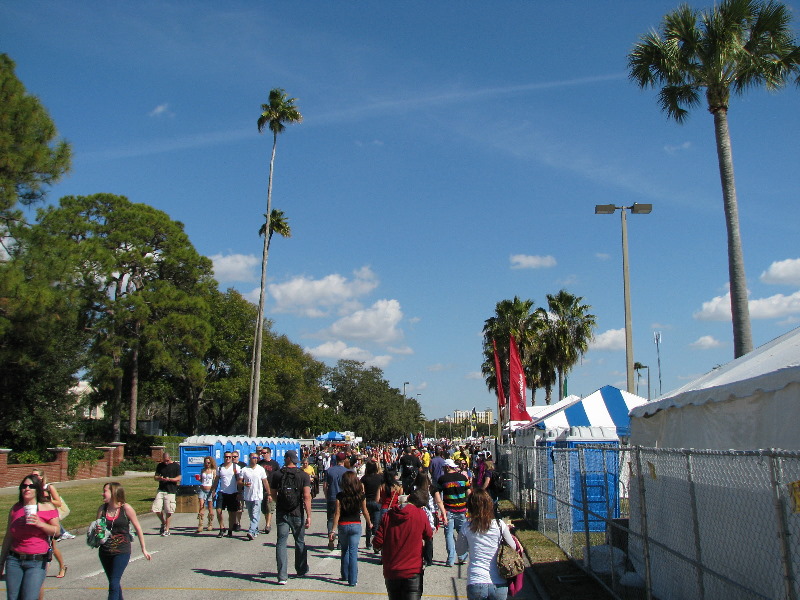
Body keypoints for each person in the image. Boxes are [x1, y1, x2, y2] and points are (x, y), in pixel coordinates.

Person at [0, 475, 60, 600]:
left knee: (29, 597)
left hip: (36, 561)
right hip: (14, 560)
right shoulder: (16, 508)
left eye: (31, 486)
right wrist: (1, 562)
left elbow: (57, 532)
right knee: (13, 597)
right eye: (24, 486)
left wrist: (40, 524)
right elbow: (8, 537)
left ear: (37, 489)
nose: (27, 489)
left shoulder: (47, 507)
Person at [455, 489, 516, 600]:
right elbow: (513, 547)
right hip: (498, 581)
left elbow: (460, 551)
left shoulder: (466, 526)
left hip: (476, 579)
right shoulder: (499, 525)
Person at [373, 488, 433, 600]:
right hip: (413, 570)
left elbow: (377, 542)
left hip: (392, 570)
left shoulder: (388, 515)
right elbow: (429, 535)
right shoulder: (420, 514)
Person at [96, 482, 151, 600]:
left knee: (114, 582)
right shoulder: (102, 509)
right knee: (113, 582)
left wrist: (143, 549)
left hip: (122, 551)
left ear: (114, 492)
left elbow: (138, 528)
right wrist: (97, 530)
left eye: (105, 491)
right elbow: (97, 530)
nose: (102, 493)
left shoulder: (126, 508)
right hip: (105, 552)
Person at [271, 449, 312, 585]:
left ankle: (282, 576)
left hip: (282, 512)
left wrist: (280, 503)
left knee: (281, 542)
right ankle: (301, 569)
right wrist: (309, 515)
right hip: (297, 512)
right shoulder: (303, 475)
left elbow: (273, 494)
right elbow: (306, 496)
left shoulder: (277, 474)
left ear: (287, 458)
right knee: (299, 541)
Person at [330, 471, 372, 587]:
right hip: (355, 524)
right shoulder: (360, 495)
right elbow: (364, 511)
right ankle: (353, 580)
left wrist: (333, 530)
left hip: (343, 524)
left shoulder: (340, 495)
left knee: (345, 550)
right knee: (353, 552)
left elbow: (337, 513)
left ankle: (344, 574)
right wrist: (369, 523)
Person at [29, 469, 68, 580]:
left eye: (36, 475)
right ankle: (41, 567)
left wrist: (47, 500)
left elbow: (58, 503)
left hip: (49, 520)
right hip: (37, 519)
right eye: (32, 475)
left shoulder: (48, 487)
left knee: (53, 546)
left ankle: (62, 566)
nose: (34, 477)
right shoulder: (32, 488)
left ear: (42, 477)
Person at [438, 458, 471, 567]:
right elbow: (469, 493)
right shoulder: (463, 478)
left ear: (447, 467)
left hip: (448, 509)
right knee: (462, 534)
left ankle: (450, 559)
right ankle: (462, 556)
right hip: (462, 509)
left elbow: (438, 497)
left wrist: (442, 511)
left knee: (449, 534)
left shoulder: (442, 479)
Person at [241, 452, 270, 540]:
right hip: (248, 495)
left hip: (258, 495)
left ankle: (251, 531)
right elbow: (239, 481)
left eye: (257, 458)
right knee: (251, 514)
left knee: (255, 513)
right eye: (253, 457)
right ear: (249, 458)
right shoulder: (244, 469)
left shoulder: (260, 469)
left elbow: (265, 482)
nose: (255, 459)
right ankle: (255, 530)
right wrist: (244, 484)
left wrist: (269, 493)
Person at [151, 452, 180, 536]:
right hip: (161, 489)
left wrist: (170, 479)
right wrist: (160, 478)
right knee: (156, 508)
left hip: (171, 490)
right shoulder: (160, 465)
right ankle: (163, 523)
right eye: (164, 461)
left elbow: (179, 478)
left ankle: (167, 529)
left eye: (167, 460)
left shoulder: (176, 466)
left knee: (168, 510)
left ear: (170, 458)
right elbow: (155, 477)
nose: (166, 462)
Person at [213, 451, 241, 537]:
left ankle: (230, 529)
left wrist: (239, 492)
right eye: (226, 457)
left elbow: (239, 481)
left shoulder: (236, 467)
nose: (228, 458)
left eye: (229, 457)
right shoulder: (220, 468)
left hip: (233, 492)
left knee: (232, 513)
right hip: (222, 492)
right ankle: (222, 528)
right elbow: (216, 480)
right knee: (218, 510)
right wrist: (213, 491)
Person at [324, 452, 348, 550]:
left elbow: (325, 486)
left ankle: (331, 538)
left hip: (332, 497)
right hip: (343, 498)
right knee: (342, 520)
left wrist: (326, 495)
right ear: (344, 460)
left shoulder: (329, 471)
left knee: (330, 519)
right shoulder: (347, 472)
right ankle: (340, 542)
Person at [360, 460, 383, 549]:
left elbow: (362, 491)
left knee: (368, 522)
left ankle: (368, 542)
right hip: (377, 501)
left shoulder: (364, 478)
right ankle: (376, 543)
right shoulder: (380, 478)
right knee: (376, 523)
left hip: (367, 501)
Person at [258, 447, 281, 534]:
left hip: (271, 488)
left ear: (269, 453)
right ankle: (267, 522)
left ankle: (268, 525)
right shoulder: (259, 463)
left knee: (269, 507)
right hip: (261, 488)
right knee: (264, 508)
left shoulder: (274, 464)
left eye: (264, 453)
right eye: (262, 453)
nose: (262, 454)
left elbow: (278, 475)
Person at [196, 456, 217, 533]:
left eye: (208, 462)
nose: (207, 464)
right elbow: (201, 479)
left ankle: (210, 524)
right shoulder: (202, 470)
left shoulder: (213, 471)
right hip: (202, 489)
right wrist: (199, 479)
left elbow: (215, 481)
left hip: (210, 490)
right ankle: (200, 524)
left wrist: (214, 491)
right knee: (201, 506)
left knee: (210, 507)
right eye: (206, 462)